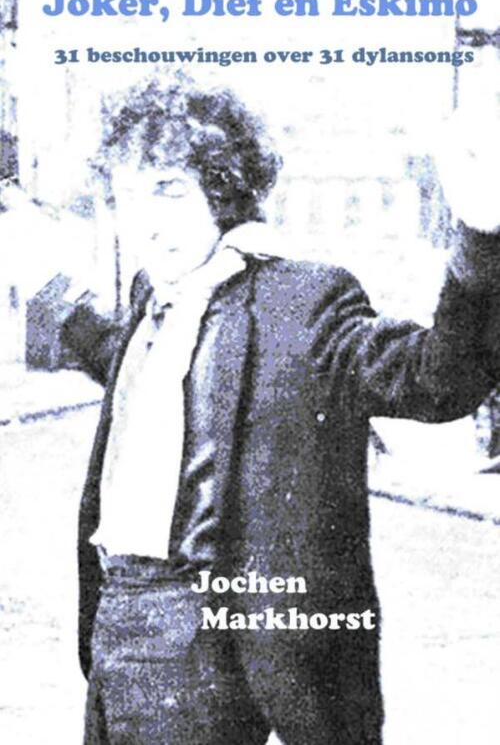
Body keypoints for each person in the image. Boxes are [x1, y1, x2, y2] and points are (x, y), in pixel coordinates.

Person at [63, 77, 500, 745]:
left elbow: (437, 377)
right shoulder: (154, 293)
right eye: (126, 197)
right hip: (112, 624)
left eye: (168, 190)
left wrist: (481, 237)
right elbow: (146, 381)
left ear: (221, 187)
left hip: (200, 636)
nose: (145, 221)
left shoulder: (301, 301)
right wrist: (61, 303)